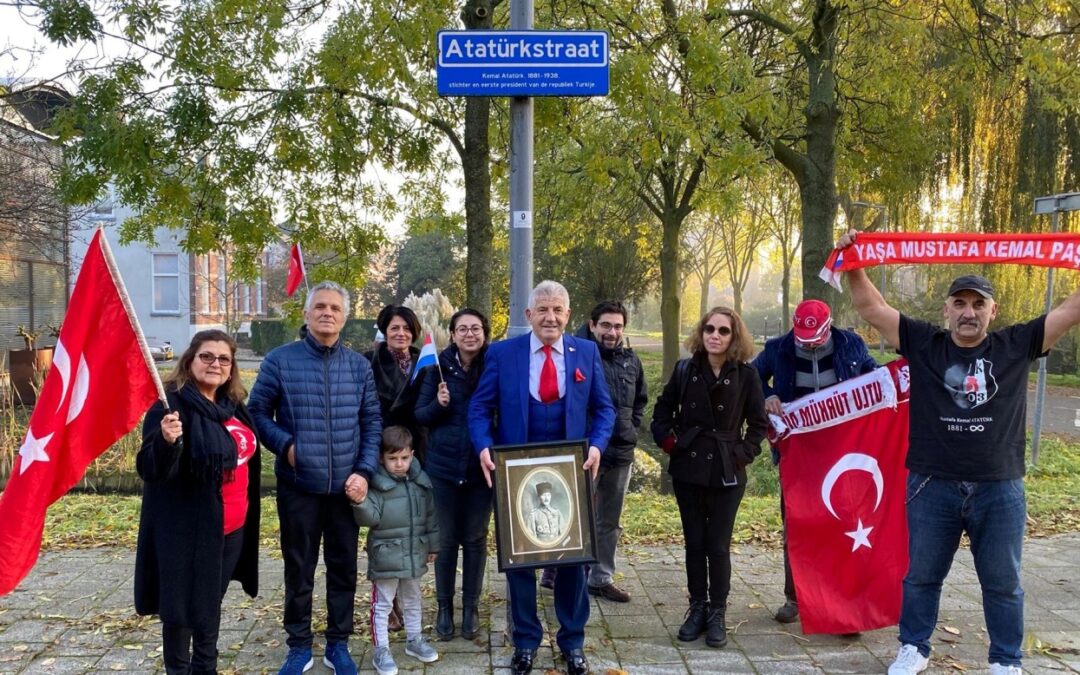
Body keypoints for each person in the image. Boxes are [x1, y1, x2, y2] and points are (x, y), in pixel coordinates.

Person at [836, 230, 1080, 675]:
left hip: (999, 487)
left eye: (978, 304)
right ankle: (913, 648)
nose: (969, 312)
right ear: (947, 309)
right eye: (961, 304)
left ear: (992, 311)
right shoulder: (923, 342)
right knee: (922, 577)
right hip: (932, 484)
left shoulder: (1017, 344)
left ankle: (1006, 660)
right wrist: (854, 261)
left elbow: (1071, 308)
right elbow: (871, 307)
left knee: (1003, 584)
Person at [468, 280, 616, 675]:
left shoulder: (586, 352)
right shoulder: (502, 354)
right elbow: (480, 409)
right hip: (516, 474)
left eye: (558, 310)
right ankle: (525, 643)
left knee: (573, 560)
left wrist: (598, 446)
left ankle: (573, 642)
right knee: (520, 563)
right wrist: (483, 446)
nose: (550, 317)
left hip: (571, 473)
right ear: (528, 315)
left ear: (568, 315)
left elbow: (604, 410)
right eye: (543, 310)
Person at [248, 281, 382, 675]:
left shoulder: (359, 366)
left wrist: (364, 471)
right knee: (299, 568)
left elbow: (372, 421)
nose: (327, 313)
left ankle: (338, 644)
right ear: (307, 315)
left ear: (344, 317)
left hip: (346, 489)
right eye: (319, 306)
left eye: (335, 308)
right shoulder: (279, 360)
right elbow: (257, 412)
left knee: (343, 570)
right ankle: (299, 645)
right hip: (298, 486)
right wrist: (286, 446)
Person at [135, 329, 261, 675]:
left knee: (209, 604)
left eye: (224, 359)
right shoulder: (170, 407)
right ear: (190, 360)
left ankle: (205, 667)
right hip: (189, 531)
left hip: (232, 526)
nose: (215, 364)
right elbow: (149, 468)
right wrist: (165, 440)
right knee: (182, 609)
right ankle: (179, 669)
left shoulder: (231, 404)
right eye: (207, 356)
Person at [751, 299, 878, 624]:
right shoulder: (778, 348)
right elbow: (750, 375)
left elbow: (873, 378)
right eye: (802, 340)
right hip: (799, 453)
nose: (808, 346)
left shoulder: (852, 343)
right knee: (798, 522)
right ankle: (796, 598)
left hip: (842, 450)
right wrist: (768, 396)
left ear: (829, 326)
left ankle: (844, 603)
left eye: (816, 340)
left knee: (845, 524)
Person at [651, 307, 769, 650]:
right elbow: (662, 411)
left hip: (726, 470)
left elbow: (759, 424)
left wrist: (740, 454)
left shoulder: (746, 376)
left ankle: (717, 611)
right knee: (694, 543)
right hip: (688, 468)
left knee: (717, 545)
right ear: (701, 334)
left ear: (734, 337)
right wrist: (669, 442)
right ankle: (697, 608)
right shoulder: (686, 369)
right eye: (709, 329)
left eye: (723, 331)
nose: (715, 335)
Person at [413, 308, 491, 641]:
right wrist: (439, 404)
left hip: (480, 469)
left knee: (474, 539)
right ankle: (444, 607)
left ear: (485, 333)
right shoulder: (437, 367)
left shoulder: (494, 367)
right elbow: (421, 415)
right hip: (442, 469)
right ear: (453, 334)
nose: (470, 334)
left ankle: (470, 607)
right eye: (463, 329)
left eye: (476, 328)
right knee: (445, 542)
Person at [573, 300, 647, 603]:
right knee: (576, 518)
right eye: (605, 325)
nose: (611, 331)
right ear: (592, 325)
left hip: (620, 454)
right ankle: (571, 577)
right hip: (585, 453)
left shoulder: (632, 361)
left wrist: (631, 428)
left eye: (617, 326)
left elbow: (640, 400)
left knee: (609, 520)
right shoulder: (577, 358)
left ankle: (601, 577)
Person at [352, 426, 440, 675]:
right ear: (382, 458)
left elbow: (431, 517)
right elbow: (369, 518)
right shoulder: (377, 485)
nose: (399, 464)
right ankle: (381, 649)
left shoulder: (421, 483)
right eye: (392, 459)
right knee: (382, 604)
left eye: (404, 457)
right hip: (386, 555)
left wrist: (433, 545)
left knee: (413, 599)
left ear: (412, 454)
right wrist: (359, 502)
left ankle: (414, 639)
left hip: (414, 553)